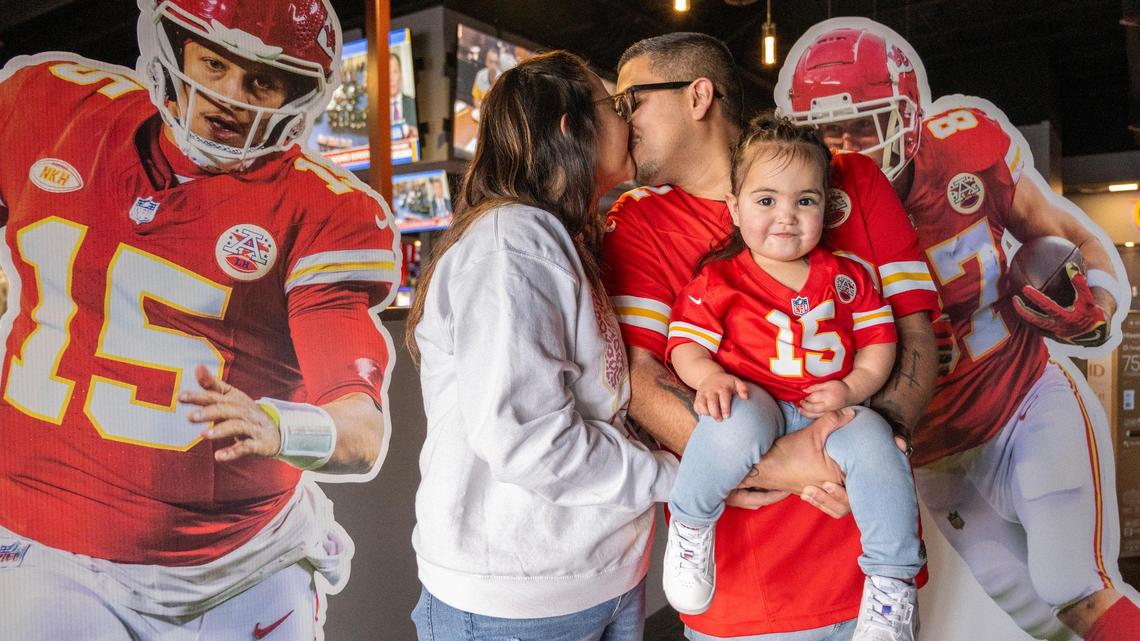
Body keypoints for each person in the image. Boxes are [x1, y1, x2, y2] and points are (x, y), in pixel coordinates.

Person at [0, 1, 399, 640]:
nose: (230, 96)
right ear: (174, 49)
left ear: (297, 96)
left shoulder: (321, 210)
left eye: (261, 81)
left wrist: (279, 426)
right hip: (52, 544)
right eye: (214, 64)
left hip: (242, 563)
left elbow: (361, 432)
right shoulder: (49, 106)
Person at [778, 18, 1138, 641]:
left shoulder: (965, 150)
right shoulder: (802, 217)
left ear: (908, 117)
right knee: (1040, 619)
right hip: (932, 452)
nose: (848, 146)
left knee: (1071, 584)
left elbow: (1069, 234)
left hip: (1021, 400)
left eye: (865, 124)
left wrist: (1098, 304)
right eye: (828, 130)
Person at [601, 32, 940, 640]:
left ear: (697, 96)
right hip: (744, 592)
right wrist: (786, 466)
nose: (622, 121)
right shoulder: (640, 219)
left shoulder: (851, 179)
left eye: (632, 102)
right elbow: (640, 377)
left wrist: (872, 449)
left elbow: (913, 334)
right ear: (738, 209)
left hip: (871, 582)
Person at [406, 50, 678, 641]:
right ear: (570, 126)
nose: (629, 118)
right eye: (616, 106)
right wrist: (673, 476)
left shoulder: (557, 238)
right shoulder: (511, 243)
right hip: (514, 601)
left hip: (600, 577)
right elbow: (528, 441)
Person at [662, 115, 922, 641]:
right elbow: (684, 343)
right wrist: (708, 376)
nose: (786, 217)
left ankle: (891, 583)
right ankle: (691, 524)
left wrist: (852, 389)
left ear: (825, 206)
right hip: (754, 400)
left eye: (805, 201)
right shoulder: (719, 279)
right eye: (766, 200)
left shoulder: (847, 277)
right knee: (730, 418)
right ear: (735, 208)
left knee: (876, 441)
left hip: (830, 408)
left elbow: (881, 344)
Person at [389, 52, 418, 142]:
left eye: (395, 72)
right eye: (386, 72)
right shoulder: (377, 112)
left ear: (401, 75)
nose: (391, 78)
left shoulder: (413, 104)